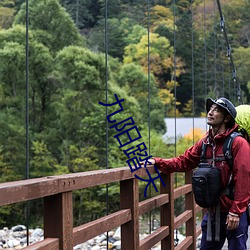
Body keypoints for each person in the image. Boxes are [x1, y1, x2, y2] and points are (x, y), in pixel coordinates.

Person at [143, 97, 250, 250]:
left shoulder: (239, 144)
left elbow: (244, 180)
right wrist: (158, 162)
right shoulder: (205, 143)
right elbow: (183, 161)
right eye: (210, 109)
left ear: (227, 118)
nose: (210, 112)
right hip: (213, 211)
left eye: (216, 110)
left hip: (233, 212)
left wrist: (236, 212)